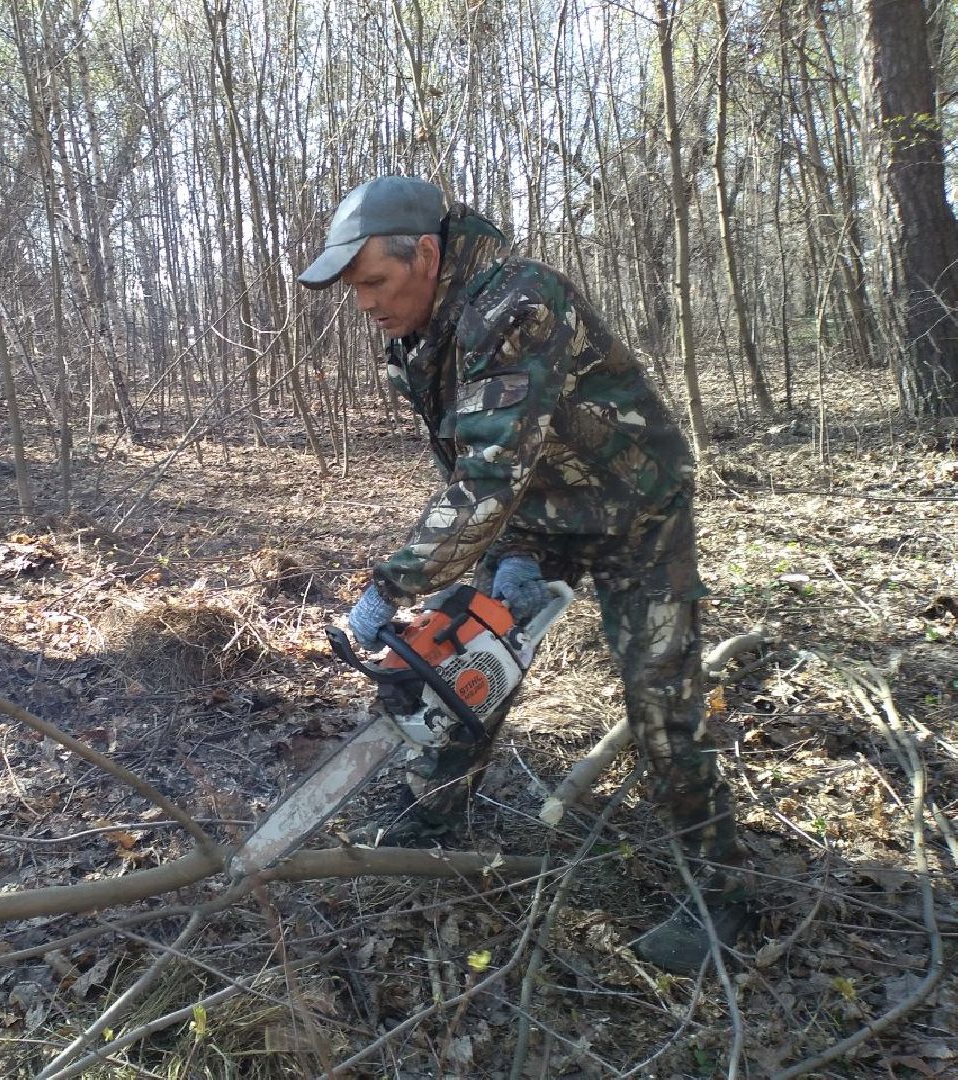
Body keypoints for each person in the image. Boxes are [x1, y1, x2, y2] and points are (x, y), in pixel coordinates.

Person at [297, 176, 749, 974]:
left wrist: (390, 586)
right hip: (541, 513)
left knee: (658, 696)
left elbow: (486, 481)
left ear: (426, 255)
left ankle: (720, 891)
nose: (364, 303)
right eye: (355, 288)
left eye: (373, 280)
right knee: (464, 653)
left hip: (632, 504)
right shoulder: (421, 336)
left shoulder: (517, 306)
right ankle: (434, 813)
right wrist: (506, 559)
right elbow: (475, 462)